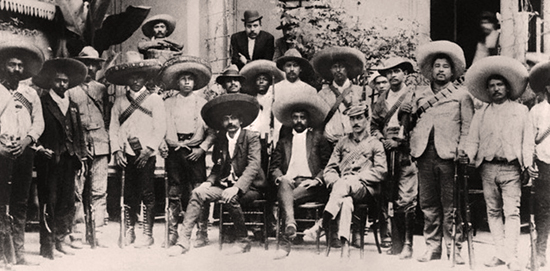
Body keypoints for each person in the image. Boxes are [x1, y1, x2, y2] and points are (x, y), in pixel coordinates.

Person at [400, 41, 473, 264]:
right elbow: (408, 123)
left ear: (452, 71)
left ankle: (454, 248)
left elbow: (468, 127)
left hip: (450, 156)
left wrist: (463, 150)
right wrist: (405, 114)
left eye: (445, 66)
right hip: (424, 155)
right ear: (430, 70)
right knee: (428, 204)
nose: (440, 70)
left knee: (451, 205)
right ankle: (432, 247)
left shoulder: (462, 95)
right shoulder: (418, 94)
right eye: (437, 66)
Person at [167, 93, 266, 256]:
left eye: (234, 118)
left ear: (241, 120)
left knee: (230, 197)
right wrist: (209, 182)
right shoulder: (221, 139)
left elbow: (253, 166)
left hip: (250, 188)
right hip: (225, 185)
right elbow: (218, 166)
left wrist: (237, 188)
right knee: (197, 192)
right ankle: (183, 241)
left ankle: (243, 240)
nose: (231, 122)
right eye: (226, 119)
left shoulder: (251, 138)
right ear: (222, 122)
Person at [462, 56, 530, 271]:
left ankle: (512, 256)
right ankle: (500, 253)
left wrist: (527, 165)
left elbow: (527, 141)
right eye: (491, 86)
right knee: (493, 211)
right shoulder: (481, 114)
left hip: (511, 168)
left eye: (500, 84)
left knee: (512, 212)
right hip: (488, 168)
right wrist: (467, 155)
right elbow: (473, 140)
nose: (496, 89)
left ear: (507, 88)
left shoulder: (520, 112)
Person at [106, 51, 165, 249]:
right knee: (129, 193)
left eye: (139, 76)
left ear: (145, 77)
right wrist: (117, 151)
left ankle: (147, 234)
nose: (136, 80)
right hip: (127, 154)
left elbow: (160, 127)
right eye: (132, 76)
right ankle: (129, 230)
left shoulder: (155, 100)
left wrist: (149, 150)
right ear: (126, 79)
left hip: (146, 154)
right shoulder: (120, 102)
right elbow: (113, 128)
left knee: (147, 193)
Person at [32, 58, 89, 260]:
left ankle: (61, 239)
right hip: (49, 159)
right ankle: (47, 246)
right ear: (51, 82)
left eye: (65, 81)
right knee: (49, 201)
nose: (62, 84)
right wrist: (39, 149)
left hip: (69, 159)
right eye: (58, 81)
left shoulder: (72, 105)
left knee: (67, 201)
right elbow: (36, 129)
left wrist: (81, 157)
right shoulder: (43, 102)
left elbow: (78, 133)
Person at [158, 55, 216, 248]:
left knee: (199, 189)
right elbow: (160, 127)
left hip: (194, 152)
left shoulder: (202, 104)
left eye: (190, 79)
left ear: (195, 82)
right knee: (174, 191)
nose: (186, 83)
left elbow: (211, 132)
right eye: (183, 79)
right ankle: (173, 233)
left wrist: (202, 148)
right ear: (177, 82)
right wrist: (162, 143)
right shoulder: (167, 103)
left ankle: (202, 231)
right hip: (175, 151)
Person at [270, 92, 331, 259]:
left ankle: (285, 242)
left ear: (308, 120)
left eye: (302, 117)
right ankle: (291, 224)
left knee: (285, 199)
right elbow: (274, 167)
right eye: (295, 117)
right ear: (291, 120)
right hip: (288, 183)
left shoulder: (319, 139)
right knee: (283, 184)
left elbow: (329, 165)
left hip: (310, 185)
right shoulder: (283, 142)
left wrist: (317, 180)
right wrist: (281, 177)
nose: (299, 121)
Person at [0, 41, 44, 265]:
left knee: (20, 202)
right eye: (12, 64)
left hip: (24, 152)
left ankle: (19, 252)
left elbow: (39, 124)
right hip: (1, 153)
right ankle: (3, 253)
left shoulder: (30, 94)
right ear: (3, 66)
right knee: (0, 202)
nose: (16, 69)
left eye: (20, 66)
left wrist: (27, 141)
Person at [321, 103, 387, 251]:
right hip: (343, 188)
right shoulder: (341, 143)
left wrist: (356, 178)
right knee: (345, 200)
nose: (356, 122)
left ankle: (322, 222)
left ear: (367, 119)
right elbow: (330, 169)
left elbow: (381, 171)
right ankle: (345, 240)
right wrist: (335, 182)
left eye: (359, 118)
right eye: (352, 119)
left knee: (347, 183)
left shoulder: (375, 144)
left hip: (365, 188)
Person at [371, 56, 418, 259]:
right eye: (388, 72)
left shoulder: (414, 95)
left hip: (407, 151)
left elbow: (421, 125)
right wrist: (381, 139)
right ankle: (395, 242)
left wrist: (401, 140)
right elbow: (373, 125)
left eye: (396, 71)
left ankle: (408, 244)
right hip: (385, 152)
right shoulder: (381, 98)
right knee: (388, 196)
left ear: (405, 74)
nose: (392, 75)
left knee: (406, 197)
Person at [68, 46, 109, 248]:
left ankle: (98, 231)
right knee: (77, 189)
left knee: (99, 190)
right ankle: (77, 231)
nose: (90, 68)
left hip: (101, 143)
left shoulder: (102, 89)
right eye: (86, 64)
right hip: (79, 144)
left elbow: (107, 116)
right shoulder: (69, 89)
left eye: (94, 64)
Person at [312, 46, 367, 145]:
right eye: (334, 67)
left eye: (342, 66)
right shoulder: (322, 94)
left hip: (355, 143)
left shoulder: (359, 91)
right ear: (330, 70)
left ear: (347, 69)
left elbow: (368, 119)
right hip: (330, 143)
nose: (338, 70)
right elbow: (318, 121)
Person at [526, 61, 550, 268]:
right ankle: (540, 252)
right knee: (543, 211)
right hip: (545, 166)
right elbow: (530, 140)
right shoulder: (537, 111)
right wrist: (530, 162)